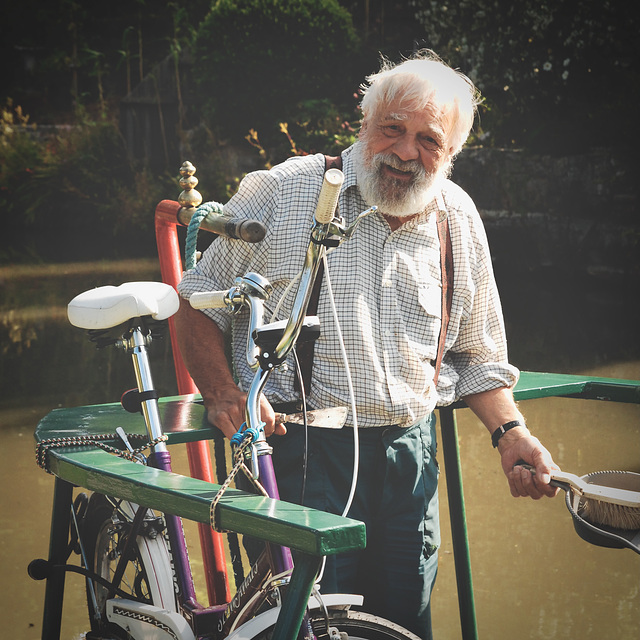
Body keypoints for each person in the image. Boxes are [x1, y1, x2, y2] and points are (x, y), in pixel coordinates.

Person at [174, 50, 559, 639]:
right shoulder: (286, 192)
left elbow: (478, 357)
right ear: (364, 122)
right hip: (299, 454)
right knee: (310, 626)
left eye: (429, 139)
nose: (406, 152)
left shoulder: (458, 218)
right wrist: (224, 392)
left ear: (453, 151)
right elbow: (196, 295)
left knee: (402, 622)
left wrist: (511, 434)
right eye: (392, 130)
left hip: (410, 460)